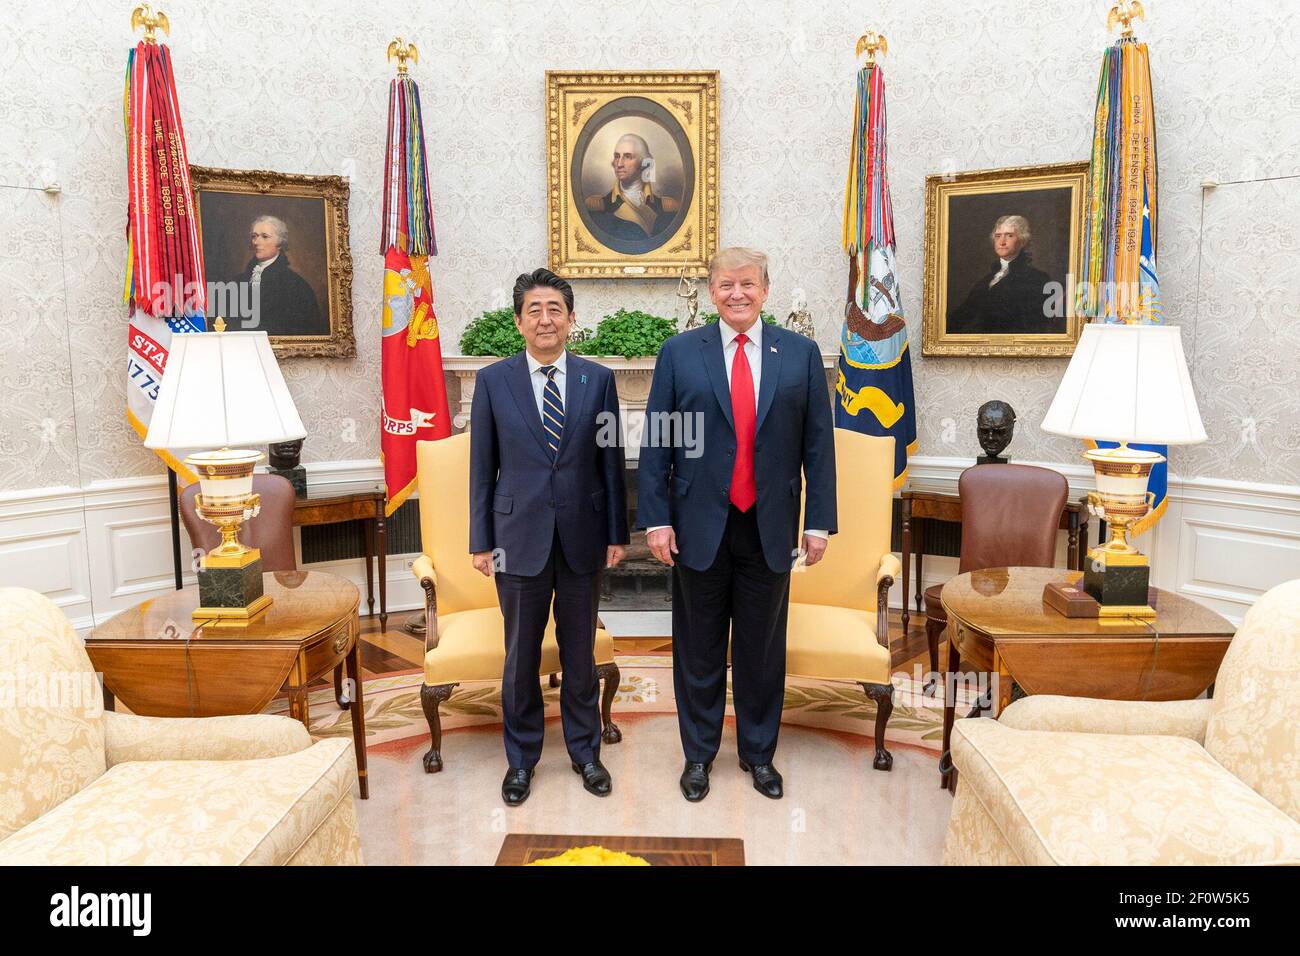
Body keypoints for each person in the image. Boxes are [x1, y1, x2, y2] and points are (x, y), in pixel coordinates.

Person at [638, 246, 836, 802]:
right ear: (712, 292)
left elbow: (818, 446)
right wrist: (655, 519)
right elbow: (658, 442)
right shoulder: (680, 353)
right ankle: (698, 756)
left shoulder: (799, 355)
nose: (737, 294)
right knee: (697, 649)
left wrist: (818, 521)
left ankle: (758, 754)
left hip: (770, 526)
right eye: (725, 285)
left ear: (766, 290)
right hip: (697, 526)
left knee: (762, 650)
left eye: (747, 284)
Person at [468, 268, 629, 806]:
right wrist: (479, 540)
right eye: (534, 310)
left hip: (584, 538)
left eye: (555, 309)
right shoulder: (492, 382)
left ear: (571, 319)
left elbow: (611, 464)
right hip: (516, 537)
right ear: (518, 321)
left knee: (580, 654)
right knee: (519, 657)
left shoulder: (597, 379)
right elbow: (481, 468)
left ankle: (586, 753)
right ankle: (521, 760)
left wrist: (617, 534)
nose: (545, 319)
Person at [948, 214, 1058, 334]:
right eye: (998, 236)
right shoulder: (985, 281)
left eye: (1009, 236)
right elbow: (962, 315)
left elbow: (1037, 326)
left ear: (1022, 241)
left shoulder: (1038, 279)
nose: (1002, 242)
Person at [584, 133, 680, 243]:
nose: (619, 164)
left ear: (644, 163)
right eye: (617, 156)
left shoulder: (667, 208)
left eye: (628, 156)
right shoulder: (598, 207)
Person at [239, 215, 323, 335]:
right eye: (254, 236)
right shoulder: (239, 280)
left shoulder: (296, 285)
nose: (256, 242)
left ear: (280, 242)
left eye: (265, 236)